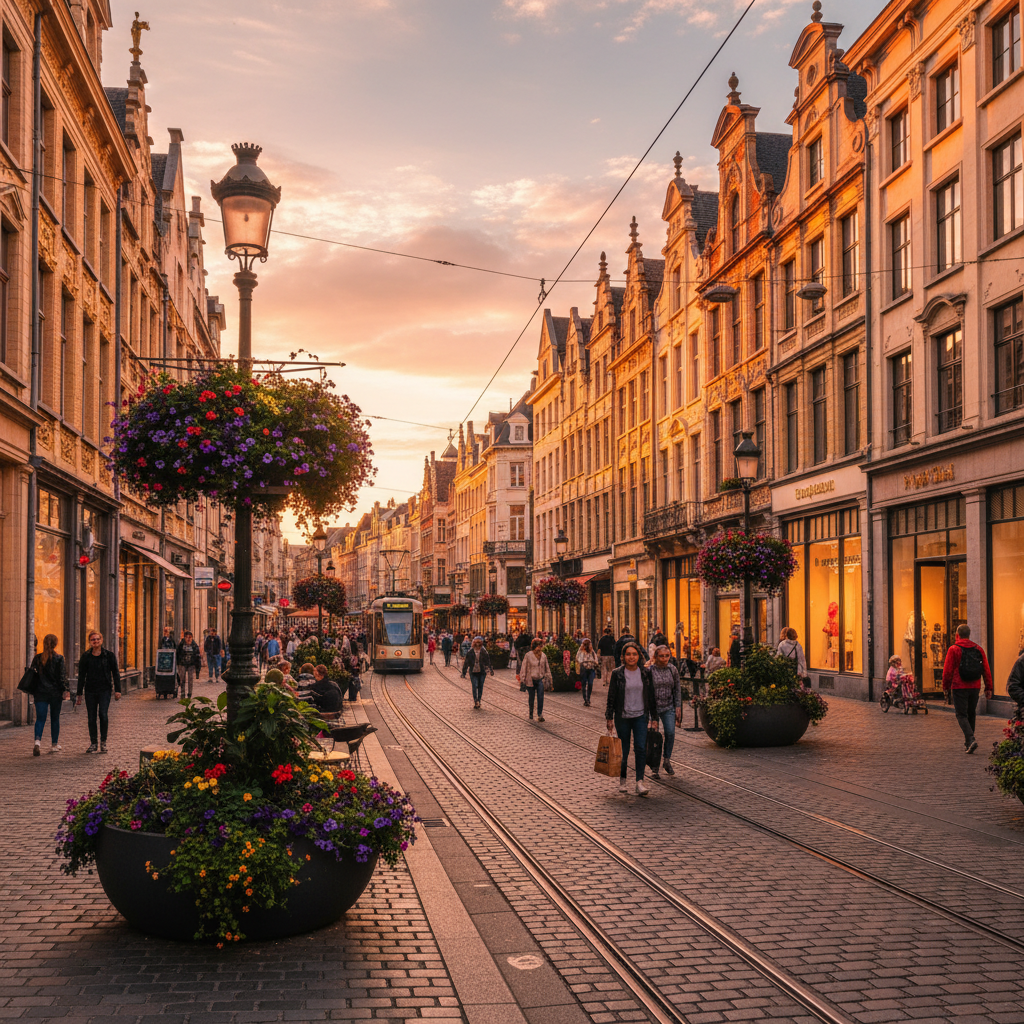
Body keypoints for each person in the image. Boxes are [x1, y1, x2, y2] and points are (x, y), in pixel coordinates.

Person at [605, 643, 656, 797]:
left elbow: (651, 696)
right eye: (628, 654)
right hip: (623, 716)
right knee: (624, 750)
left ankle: (639, 782)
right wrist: (609, 717)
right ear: (623, 657)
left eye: (634, 654)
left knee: (640, 748)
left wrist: (654, 718)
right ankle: (623, 780)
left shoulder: (646, 673)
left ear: (639, 656)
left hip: (640, 716)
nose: (631, 657)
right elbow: (611, 696)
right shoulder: (617, 673)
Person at [942, 624, 993, 754]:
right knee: (971, 713)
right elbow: (986, 669)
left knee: (961, 714)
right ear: (969, 634)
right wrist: (988, 687)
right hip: (975, 686)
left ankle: (970, 739)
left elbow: (947, 671)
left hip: (959, 686)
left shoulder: (954, 649)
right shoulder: (978, 649)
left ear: (957, 635)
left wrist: (946, 687)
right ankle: (968, 742)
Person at [75, 631, 121, 754]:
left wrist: (118, 690)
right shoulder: (85, 657)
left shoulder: (109, 656)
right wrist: (79, 694)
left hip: (104, 690)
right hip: (90, 690)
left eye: (97, 639)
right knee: (91, 717)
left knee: (103, 715)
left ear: (101, 640)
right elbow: (81, 676)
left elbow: (115, 673)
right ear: (90, 642)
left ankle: (103, 742)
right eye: (93, 640)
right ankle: (93, 743)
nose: (95, 641)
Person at [30, 634, 69, 755]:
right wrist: (65, 689)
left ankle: (37, 743)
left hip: (40, 693)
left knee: (40, 719)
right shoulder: (59, 658)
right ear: (56, 644)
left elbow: (32, 675)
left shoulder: (37, 658)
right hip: (55, 693)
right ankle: (54, 744)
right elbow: (62, 676)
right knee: (54, 718)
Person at [648, 645, 682, 777]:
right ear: (656, 657)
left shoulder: (672, 669)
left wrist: (678, 706)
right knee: (654, 737)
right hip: (654, 709)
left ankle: (667, 760)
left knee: (670, 732)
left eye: (667, 656)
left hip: (668, 706)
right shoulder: (650, 670)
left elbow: (677, 689)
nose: (664, 658)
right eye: (661, 656)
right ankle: (654, 765)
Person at [517, 638, 551, 722]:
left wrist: (549, 678)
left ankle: (540, 714)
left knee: (540, 696)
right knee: (531, 697)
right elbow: (523, 667)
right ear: (534, 646)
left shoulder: (543, 656)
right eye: (538, 646)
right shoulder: (528, 655)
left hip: (540, 679)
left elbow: (547, 668)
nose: (539, 648)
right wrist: (522, 679)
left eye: (540, 646)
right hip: (530, 679)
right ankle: (531, 713)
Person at [461, 636, 493, 709]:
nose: (477, 644)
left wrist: (490, 670)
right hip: (473, 671)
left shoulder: (484, 652)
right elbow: (466, 662)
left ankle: (479, 699)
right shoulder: (470, 652)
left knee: (480, 686)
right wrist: (464, 672)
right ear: (474, 643)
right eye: (476, 642)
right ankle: (476, 700)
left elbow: (488, 662)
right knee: (474, 685)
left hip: (482, 671)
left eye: (479, 642)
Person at [176, 631, 201, 699]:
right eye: (187, 637)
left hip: (191, 664)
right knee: (182, 679)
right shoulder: (181, 645)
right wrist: (177, 664)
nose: (189, 639)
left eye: (190, 637)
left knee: (190, 679)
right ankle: (182, 692)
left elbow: (198, 657)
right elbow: (177, 654)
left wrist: (198, 669)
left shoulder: (194, 646)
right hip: (182, 663)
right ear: (184, 638)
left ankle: (190, 693)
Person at [575, 638, 599, 707]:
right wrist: (583, 662)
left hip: (591, 669)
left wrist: (594, 663)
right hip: (584, 669)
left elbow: (596, 659)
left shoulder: (592, 652)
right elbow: (578, 658)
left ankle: (588, 698)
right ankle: (585, 699)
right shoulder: (581, 651)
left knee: (590, 683)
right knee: (584, 684)